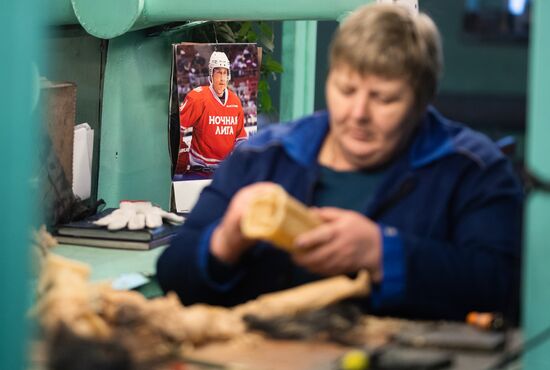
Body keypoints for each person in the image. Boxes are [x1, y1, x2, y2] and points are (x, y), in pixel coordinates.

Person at [158, 4, 523, 321]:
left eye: (384, 98)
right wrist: (226, 239)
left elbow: (503, 287)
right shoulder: (262, 159)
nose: (357, 113)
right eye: (346, 90)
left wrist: (381, 253)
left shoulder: (472, 170)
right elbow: (174, 275)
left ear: (421, 99)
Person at [178, 51, 247, 171]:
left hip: (225, 170)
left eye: (225, 73)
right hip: (200, 169)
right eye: (218, 72)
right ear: (211, 74)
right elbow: (177, 128)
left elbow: (240, 137)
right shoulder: (197, 98)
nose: (222, 78)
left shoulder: (235, 101)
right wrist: (182, 157)